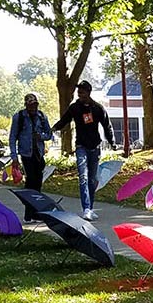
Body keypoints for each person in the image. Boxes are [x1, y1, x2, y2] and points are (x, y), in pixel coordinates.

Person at [52, 80, 116, 221]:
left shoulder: (97, 109)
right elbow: (64, 120)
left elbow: (107, 126)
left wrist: (112, 142)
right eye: (78, 92)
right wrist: (54, 128)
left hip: (95, 147)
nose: (79, 94)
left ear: (88, 92)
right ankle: (86, 208)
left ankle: (90, 208)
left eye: (82, 91)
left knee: (92, 180)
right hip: (81, 146)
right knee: (83, 178)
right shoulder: (75, 108)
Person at [9, 93, 54, 222]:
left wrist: (42, 136)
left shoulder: (42, 116)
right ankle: (29, 213)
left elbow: (49, 134)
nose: (33, 108)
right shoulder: (20, 117)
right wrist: (14, 156)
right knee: (31, 181)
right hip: (26, 153)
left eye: (35, 105)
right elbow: (13, 137)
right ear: (26, 105)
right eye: (30, 105)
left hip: (38, 153)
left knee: (38, 182)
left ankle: (35, 212)